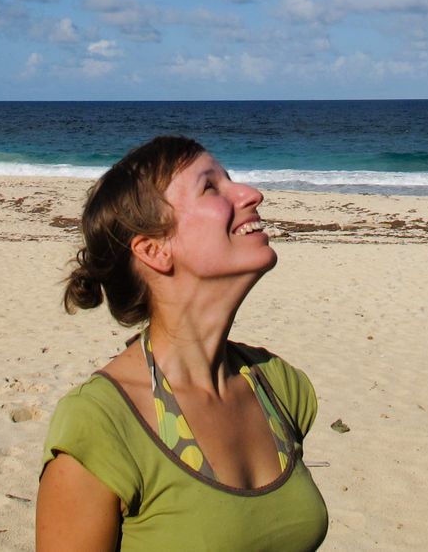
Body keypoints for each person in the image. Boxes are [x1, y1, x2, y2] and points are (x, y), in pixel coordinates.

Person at [36, 135, 329, 551]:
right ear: (154, 250)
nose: (251, 194)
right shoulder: (101, 425)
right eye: (211, 187)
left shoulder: (279, 387)